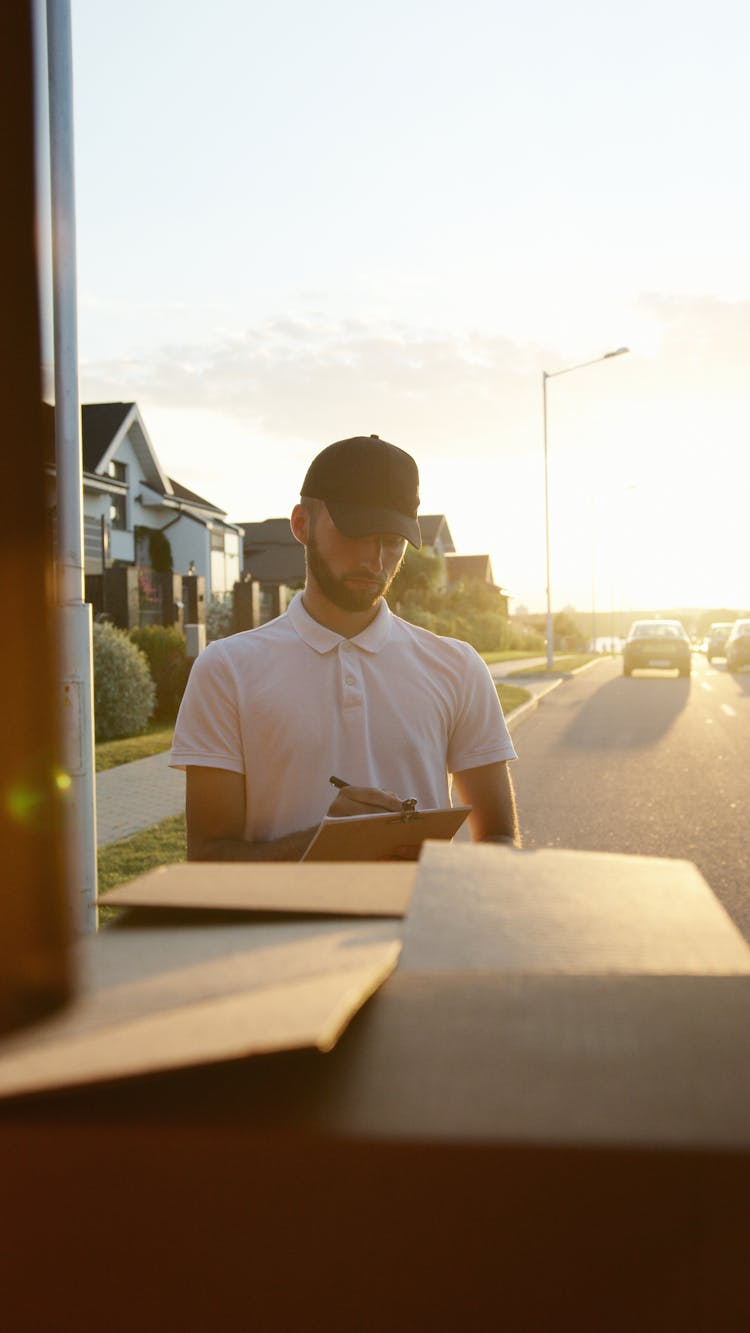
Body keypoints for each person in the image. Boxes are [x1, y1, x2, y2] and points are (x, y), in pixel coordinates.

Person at [170, 434, 520, 860]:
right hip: (281, 929)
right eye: (356, 531)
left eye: (392, 541)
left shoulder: (457, 666)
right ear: (301, 524)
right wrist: (330, 846)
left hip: (417, 926)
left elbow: (499, 840)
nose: (374, 560)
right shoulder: (226, 670)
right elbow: (208, 858)